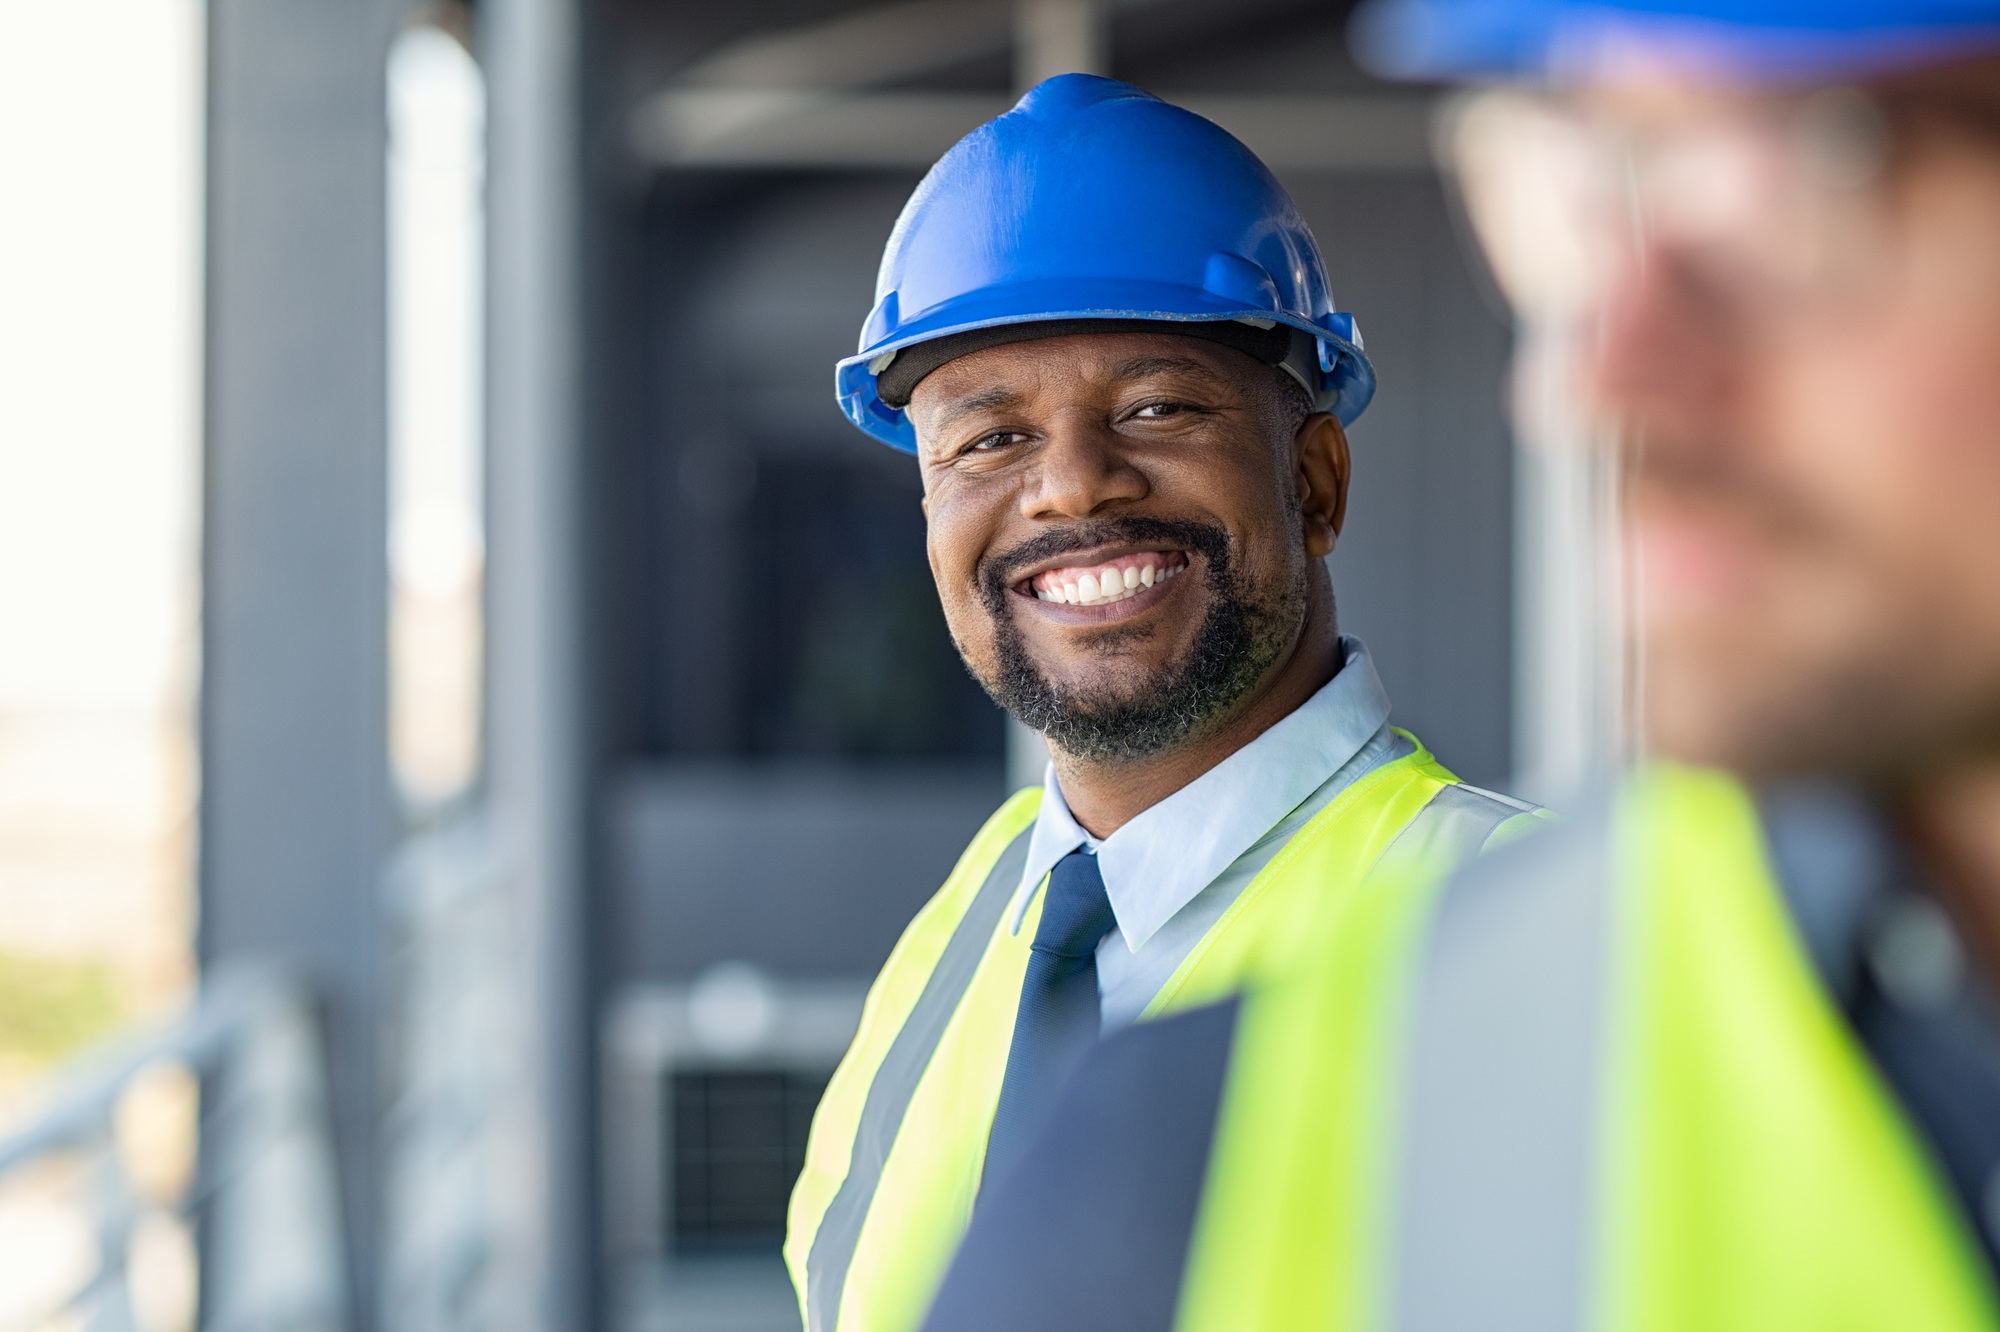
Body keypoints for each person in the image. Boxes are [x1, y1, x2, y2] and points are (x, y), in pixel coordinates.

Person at [921, 6, 2000, 1331]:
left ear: (1317, 480)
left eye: (1810, 173)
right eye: (1580, 193)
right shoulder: (1173, 1148)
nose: (1601, 378)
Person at [785, 73, 1541, 1332]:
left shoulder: (1519, 942)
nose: (1072, 488)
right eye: (987, 440)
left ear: (1315, 481)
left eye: (1154, 407)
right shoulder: (965, 930)